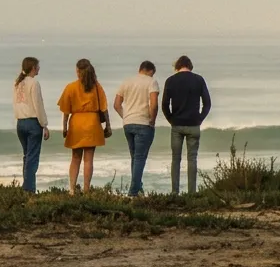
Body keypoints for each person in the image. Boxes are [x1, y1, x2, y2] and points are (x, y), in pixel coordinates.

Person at [57, 59, 112, 194]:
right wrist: (108, 126)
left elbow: (65, 111)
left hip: (76, 123)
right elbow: (104, 108)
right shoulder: (97, 87)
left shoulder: (70, 87)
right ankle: (86, 189)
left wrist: (64, 128)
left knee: (75, 157)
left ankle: (71, 189)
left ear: (78, 71)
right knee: (89, 159)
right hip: (92, 123)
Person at [161, 55, 211, 195]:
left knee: (175, 158)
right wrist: (200, 119)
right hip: (193, 125)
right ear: (190, 66)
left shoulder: (170, 81)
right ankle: (192, 192)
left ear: (177, 66)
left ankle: (174, 192)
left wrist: (171, 119)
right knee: (192, 159)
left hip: (177, 124)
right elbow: (207, 104)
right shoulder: (199, 80)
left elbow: (165, 104)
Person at [114, 61, 159, 196]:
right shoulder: (151, 82)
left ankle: (138, 188)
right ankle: (133, 192)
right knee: (140, 158)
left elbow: (116, 104)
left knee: (134, 157)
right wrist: (152, 120)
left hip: (128, 124)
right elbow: (154, 104)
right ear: (150, 71)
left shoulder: (126, 82)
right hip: (143, 123)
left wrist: (125, 116)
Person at [12, 56, 50, 194]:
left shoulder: (17, 83)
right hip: (33, 122)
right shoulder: (34, 83)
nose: (39, 68)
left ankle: (26, 186)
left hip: (20, 122)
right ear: (33, 67)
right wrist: (44, 125)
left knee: (26, 156)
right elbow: (38, 105)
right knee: (32, 157)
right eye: (38, 66)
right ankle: (29, 189)